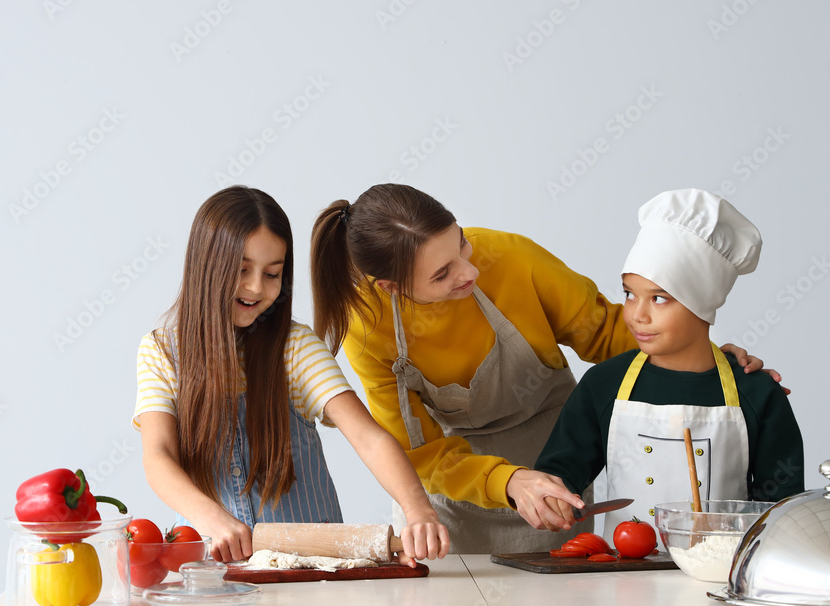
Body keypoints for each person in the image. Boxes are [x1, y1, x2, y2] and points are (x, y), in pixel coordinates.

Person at [310, 183, 769, 554]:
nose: (467, 273)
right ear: (392, 286)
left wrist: (698, 358)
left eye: (461, 247)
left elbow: (608, 336)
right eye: (441, 275)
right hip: (454, 495)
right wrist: (506, 481)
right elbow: (422, 453)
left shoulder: (509, 258)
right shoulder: (367, 329)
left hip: (557, 474)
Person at [133, 185, 449, 565]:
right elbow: (158, 454)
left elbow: (368, 438)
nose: (256, 287)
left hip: (312, 569)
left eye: (272, 274)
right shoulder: (162, 351)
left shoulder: (294, 347)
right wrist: (212, 519)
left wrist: (418, 510)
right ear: (206, 264)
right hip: (214, 568)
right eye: (241, 269)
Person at [534, 189, 805, 538]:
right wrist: (553, 496)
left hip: (719, 578)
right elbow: (560, 471)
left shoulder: (756, 391)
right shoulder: (604, 383)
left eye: (660, 298)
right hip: (623, 579)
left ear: (703, 303)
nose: (636, 315)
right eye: (630, 293)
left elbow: (779, 511)